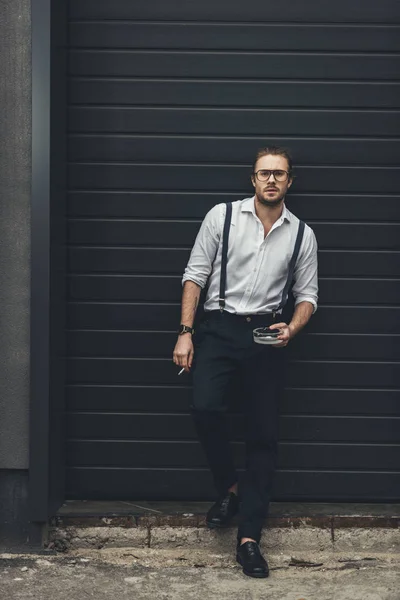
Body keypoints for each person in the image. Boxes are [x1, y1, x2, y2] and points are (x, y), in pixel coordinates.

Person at [172, 146, 318, 578]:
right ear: (252, 179)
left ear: (290, 181)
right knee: (205, 407)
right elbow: (195, 274)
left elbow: (308, 295)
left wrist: (292, 327)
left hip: (267, 335)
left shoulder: (301, 233)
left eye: (280, 174)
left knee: (262, 436)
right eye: (264, 173)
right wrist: (186, 331)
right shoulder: (222, 217)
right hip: (217, 329)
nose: (271, 180)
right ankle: (231, 489)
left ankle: (249, 538)